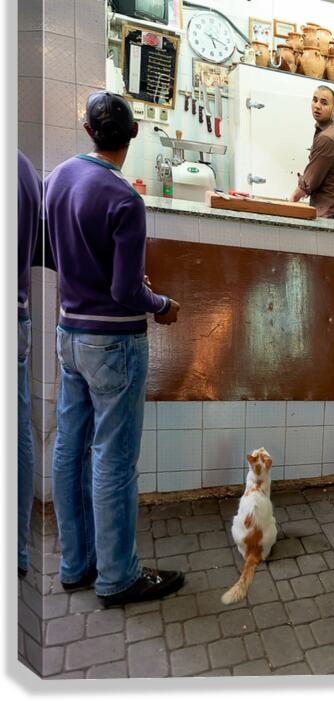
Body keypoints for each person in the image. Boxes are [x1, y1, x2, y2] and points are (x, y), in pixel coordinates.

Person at [45, 92, 184, 607]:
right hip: (115, 345)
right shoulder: (125, 199)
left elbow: (46, 250)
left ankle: (74, 565)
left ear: (87, 130)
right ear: (133, 136)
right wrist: (163, 302)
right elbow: (128, 293)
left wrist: (87, 275)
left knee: (69, 449)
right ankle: (118, 578)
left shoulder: (56, 179)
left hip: (68, 336)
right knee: (113, 460)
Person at [17, 150, 46, 578]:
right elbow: (42, 250)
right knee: (18, 432)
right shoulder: (22, 167)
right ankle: (18, 551)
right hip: (16, 314)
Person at [289, 85, 334, 221]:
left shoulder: (328, 137)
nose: (317, 106)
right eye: (315, 100)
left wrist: (289, 202)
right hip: (333, 213)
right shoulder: (327, 132)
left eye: (324, 103)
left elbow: (308, 182)